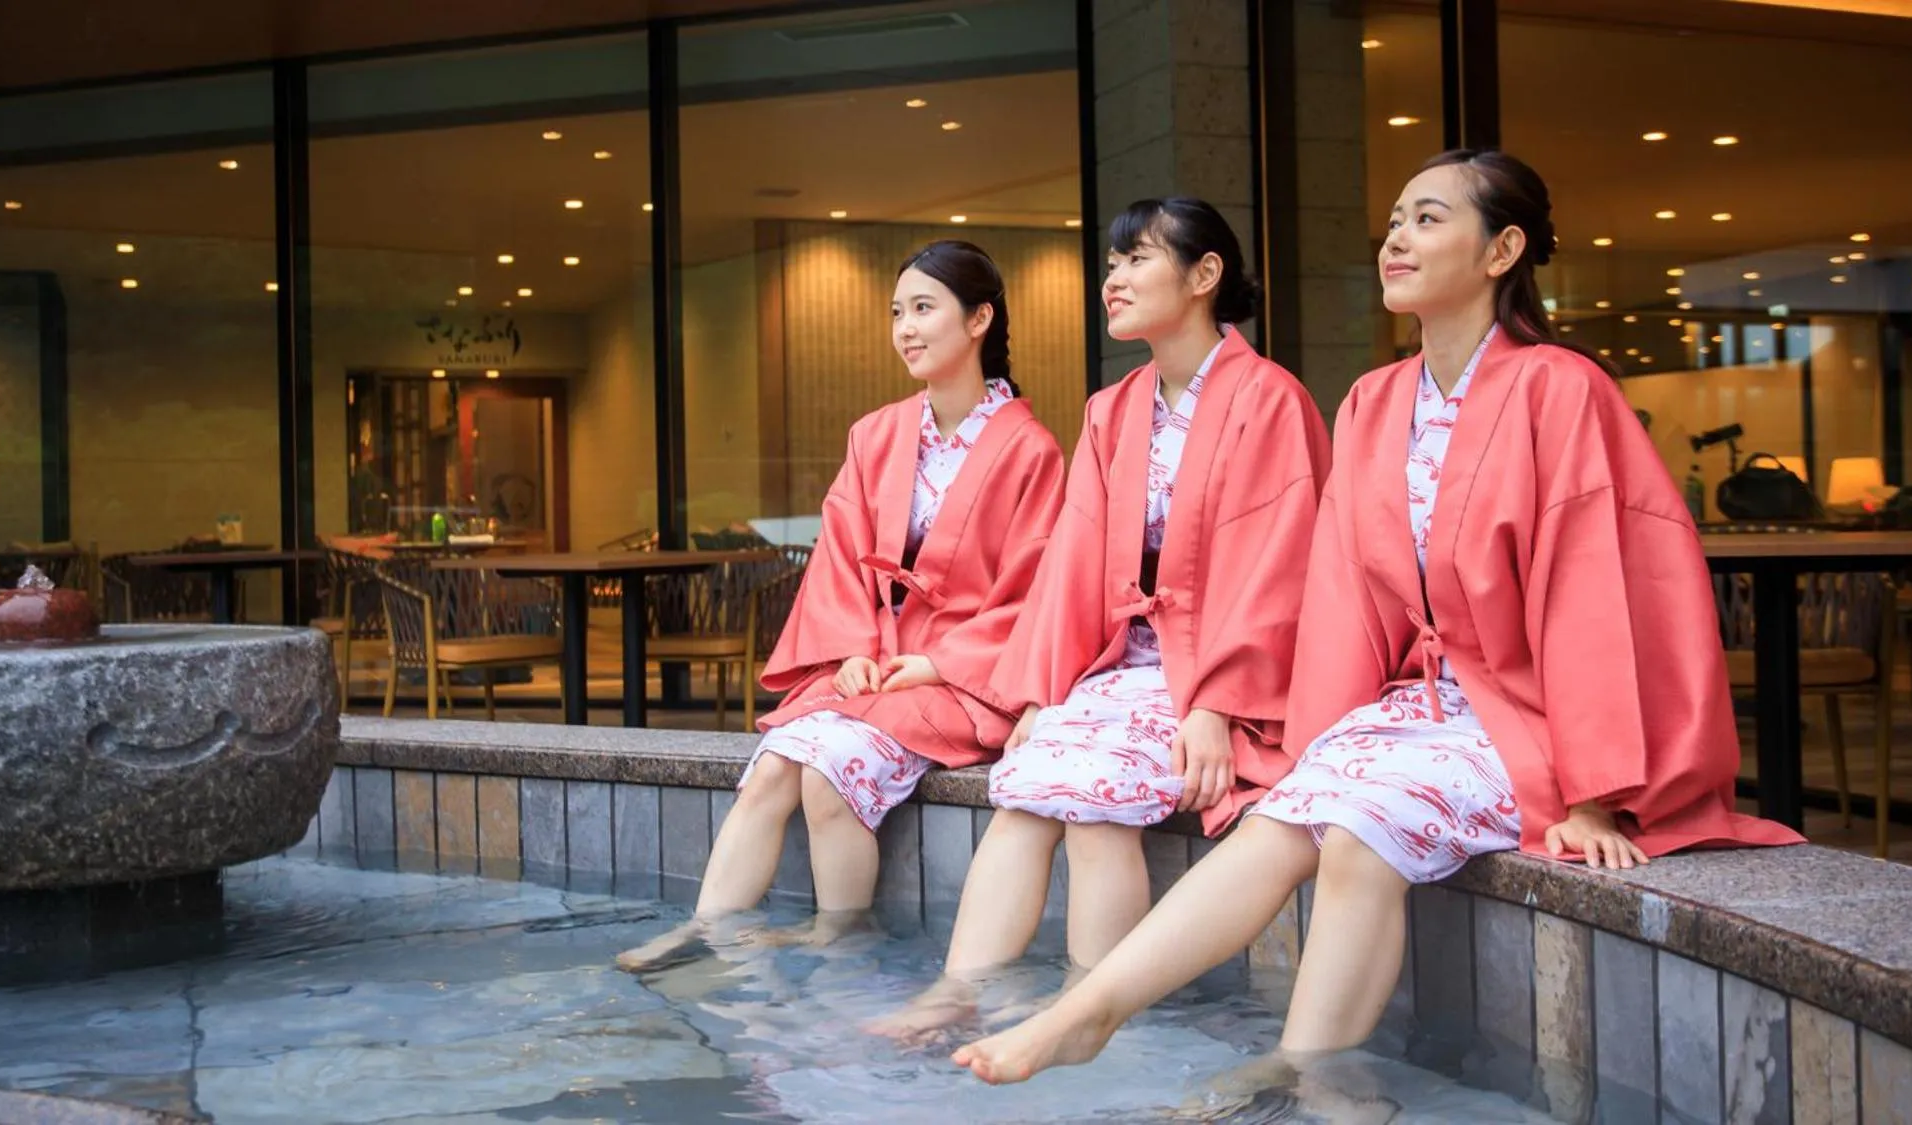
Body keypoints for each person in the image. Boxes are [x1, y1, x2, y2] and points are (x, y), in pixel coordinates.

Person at [949, 149, 1805, 1087]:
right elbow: (1344, 598)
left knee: (1357, 832)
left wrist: (1594, 792)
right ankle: (1093, 1016)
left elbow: (1597, 592)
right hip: (1421, 706)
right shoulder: (1373, 399)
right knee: (1290, 814)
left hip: (1528, 715)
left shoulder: (1560, 387)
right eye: (1395, 218)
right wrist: (1309, 740)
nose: (1397, 237)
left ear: (1502, 249)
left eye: (1429, 219)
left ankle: (1289, 1071)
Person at [868, 197, 1330, 1038]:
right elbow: (1074, 564)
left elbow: (1281, 568)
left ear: (1203, 275)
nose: (1112, 280)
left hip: (1213, 676)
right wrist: (1043, 692)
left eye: (1135, 260)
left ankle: (1090, 1013)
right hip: (1121, 666)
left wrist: (1214, 707)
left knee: (1093, 805)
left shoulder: (1271, 400)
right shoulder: (1113, 409)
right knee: (1022, 793)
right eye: (1111, 264)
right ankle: (955, 994)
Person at [617, 240, 1066, 969]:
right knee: (771, 767)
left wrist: (936, 661)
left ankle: (839, 939)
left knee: (827, 771)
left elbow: (1036, 585)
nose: (905, 328)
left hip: (958, 676)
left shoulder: (1030, 449)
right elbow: (840, 554)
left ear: (979, 318)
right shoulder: (876, 434)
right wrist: (854, 647)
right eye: (897, 312)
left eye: (924, 308)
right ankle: (704, 933)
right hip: (873, 659)